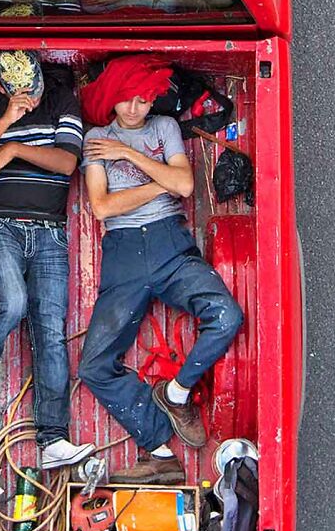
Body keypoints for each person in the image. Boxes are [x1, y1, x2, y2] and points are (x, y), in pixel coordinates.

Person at [78, 56, 243, 484]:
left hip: (171, 242)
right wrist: (161, 180)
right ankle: (158, 447)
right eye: (126, 100)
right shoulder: (96, 138)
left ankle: (177, 392)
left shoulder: (165, 127)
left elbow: (186, 186)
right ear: (111, 99)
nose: (134, 108)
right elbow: (102, 206)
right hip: (125, 253)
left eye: (143, 100)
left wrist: (128, 155)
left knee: (227, 316)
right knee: (94, 366)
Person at [0, 50, 95, 471]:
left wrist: (15, 148)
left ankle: (54, 440)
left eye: (35, 89)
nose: (32, 97)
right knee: (11, 303)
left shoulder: (61, 101)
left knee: (50, 331)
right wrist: (6, 121)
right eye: (21, 93)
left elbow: (67, 162)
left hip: (49, 230)